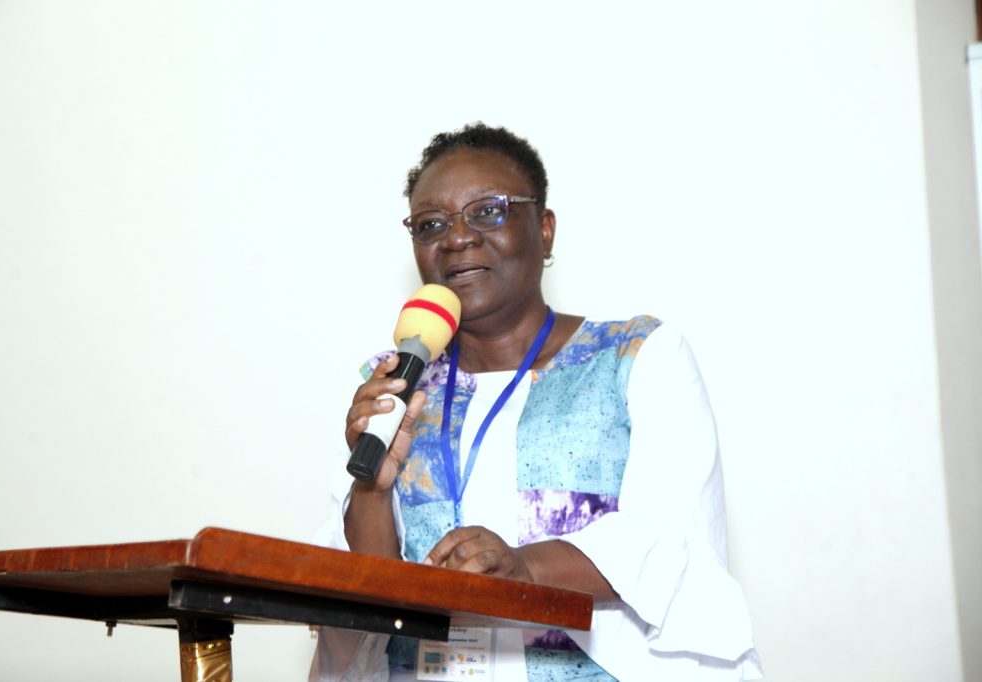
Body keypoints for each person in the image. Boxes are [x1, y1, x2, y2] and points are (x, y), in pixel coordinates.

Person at [311, 123, 761, 681]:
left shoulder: (637, 356)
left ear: (544, 231)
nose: (456, 238)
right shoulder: (394, 383)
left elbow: (671, 538)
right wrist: (371, 490)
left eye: (488, 211)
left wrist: (525, 567)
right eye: (431, 224)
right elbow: (362, 596)